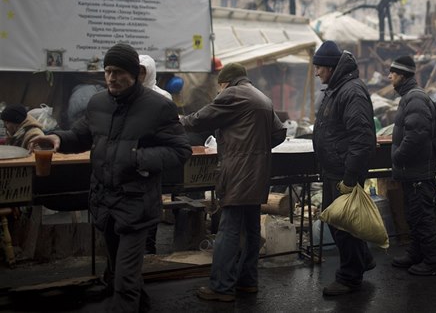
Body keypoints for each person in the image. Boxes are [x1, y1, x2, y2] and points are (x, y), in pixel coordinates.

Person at [30, 43, 192, 312]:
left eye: (118, 71)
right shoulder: (98, 103)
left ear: (133, 73)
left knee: (125, 280)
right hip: (105, 201)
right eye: (107, 71)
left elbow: (180, 150)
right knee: (119, 273)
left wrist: (137, 158)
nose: (111, 78)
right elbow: (82, 135)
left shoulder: (158, 106)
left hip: (136, 203)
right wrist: (58, 137)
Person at [179, 62, 286, 302]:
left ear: (225, 82)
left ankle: (221, 287)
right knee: (250, 229)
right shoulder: (262, 97)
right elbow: (279, 134)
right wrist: (257, 149)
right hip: (259, 173)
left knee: (228, 230)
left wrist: (178, 121)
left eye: (219, 86)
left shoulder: (233, 94)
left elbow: (199, 119)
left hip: (238, 173)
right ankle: (247, 282)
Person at [311, 40, 376, 295]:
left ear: (330, 67)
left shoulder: (351, 91)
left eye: (319, 67)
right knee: (337, 221)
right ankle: (364, 260)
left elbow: (361, 138)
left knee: (344, 225)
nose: (316, 72)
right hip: (333, 170)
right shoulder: (337, 89)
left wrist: (350, 176)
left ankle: (350, 277)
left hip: (343, 172)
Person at [387, 56, 436, 275]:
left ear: (402, 76)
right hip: (413, 171)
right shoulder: (410, 97)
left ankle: (434, 261)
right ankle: (417, 253)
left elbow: (417, 134)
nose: (389, 76)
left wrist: (399, 157)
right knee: (414, 216)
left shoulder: (415, 99)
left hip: (418, 171)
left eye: (392, 73)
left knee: (422, 217)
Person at [138, 54, 172, 255]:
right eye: (138, 71)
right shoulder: (127, 95)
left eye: (144, 71)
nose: (141, 75)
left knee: (151, 203)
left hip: (154, 157)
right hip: (131, 158)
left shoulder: (163, 96)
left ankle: (150, 245)